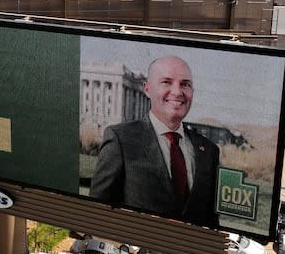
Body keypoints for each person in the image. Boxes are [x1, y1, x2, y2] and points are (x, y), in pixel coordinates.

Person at [89, 56, 220, 227]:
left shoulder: (209, 151)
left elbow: (212, 222)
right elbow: (95, 211)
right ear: (147, 89)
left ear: (192, 92)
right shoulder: (121, 139)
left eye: (185, 84)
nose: (177, 92)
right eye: (166, 82)